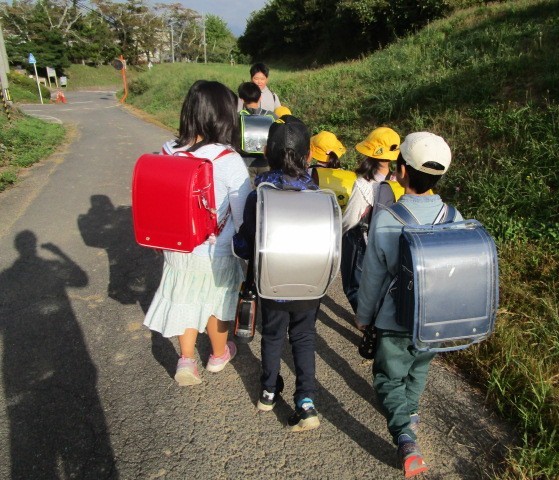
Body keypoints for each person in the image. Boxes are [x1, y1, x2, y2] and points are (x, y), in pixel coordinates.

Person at [355, 132, 463, 478]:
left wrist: (363, 315)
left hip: (394, 317)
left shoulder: (389, 216)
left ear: (401, 171)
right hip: (434, 318)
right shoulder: (453, 215)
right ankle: (411, 411)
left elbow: (373, 274)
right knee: (419, 366)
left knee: (388, 376)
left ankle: (405, 437)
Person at [143, 80, 251, 386]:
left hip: (177, 245)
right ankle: (218, 354)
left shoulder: (167, 150)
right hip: (216, 249)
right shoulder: (229, 160)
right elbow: (242, 216)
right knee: (218, 301)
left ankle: (187, 359)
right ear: (224, 116)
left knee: (183, 298)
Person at [233, 115, 323, 432]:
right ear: (308, 156)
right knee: (304, 337)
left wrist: (236, 243)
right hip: (309, 283)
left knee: (272, 335)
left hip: (271, 283)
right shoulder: (319, 196)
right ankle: (306, 402)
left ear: (266, 153)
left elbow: (245, 245)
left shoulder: (259, 195)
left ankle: (268, 392)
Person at [340, 126, 400, 313]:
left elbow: (350, 219)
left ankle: (363, 321)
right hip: (392, 242)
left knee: (355, 286)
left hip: (365, 244)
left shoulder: (363, 184)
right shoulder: (399, 181)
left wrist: (339, 235)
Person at [237, 81, 276, 184]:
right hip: (266, 163)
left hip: (245, 163)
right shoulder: (271, 116)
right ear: (260, 98)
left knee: (248, 192)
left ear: (242, 99)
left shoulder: (238, 117)